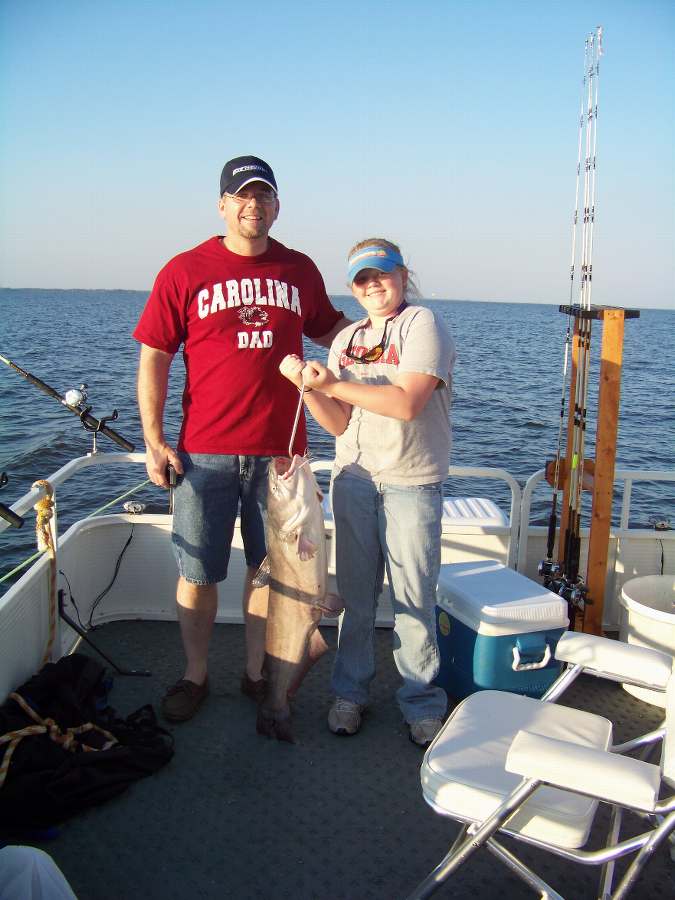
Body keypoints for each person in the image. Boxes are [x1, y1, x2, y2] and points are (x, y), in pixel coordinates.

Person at [133, 155, 346, 722]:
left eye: (264, 196)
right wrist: (154, 439)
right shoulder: (184, 270)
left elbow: (336, 332)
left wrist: (398, 332)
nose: (254, 205)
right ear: (223, 205)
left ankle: (259, 672)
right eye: (242, 196)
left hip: (282, 455)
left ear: (277, 205)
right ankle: (195, 675)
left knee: (268, 569)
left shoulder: (299, 269)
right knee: (197, 569)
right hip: (204, 452)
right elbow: (154, 354)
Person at [279, 238, 455, 747]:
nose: (373, 285)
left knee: (412, 597)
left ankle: (421, 701)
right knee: (357, 599)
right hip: (354, 479)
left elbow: (406, 404)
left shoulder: (422, 325)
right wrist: (309, 388)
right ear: (351, 288)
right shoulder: (347, 338)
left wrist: (331, 384)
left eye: (382, 274)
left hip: (410, 480)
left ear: (402, 275)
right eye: (361, 279)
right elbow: (338, 422)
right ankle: (349, 693)